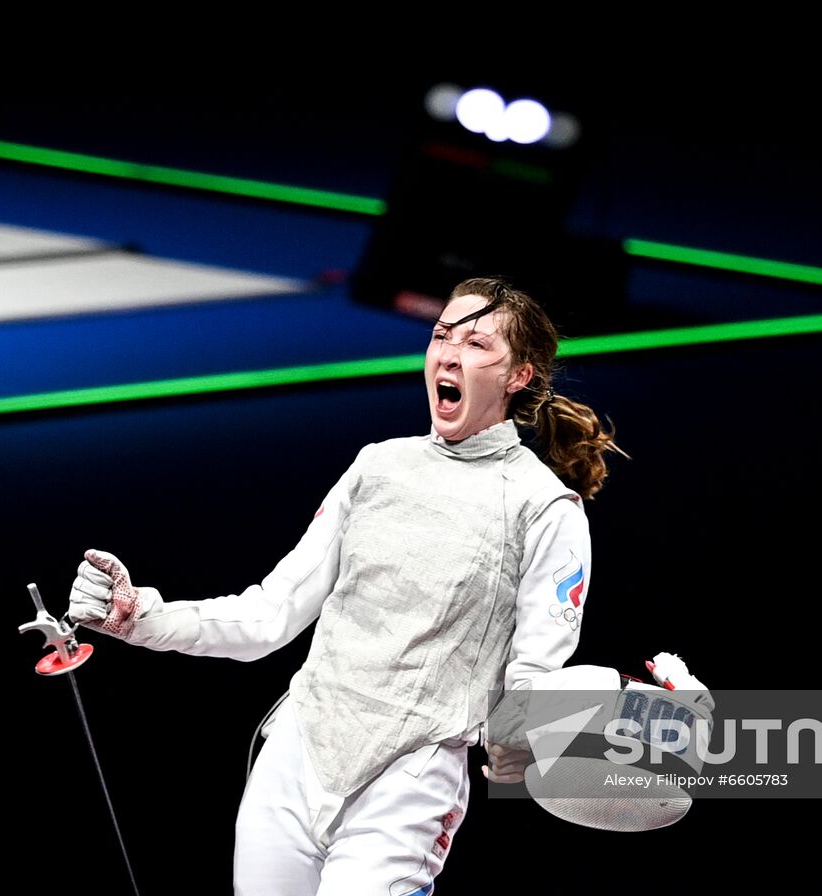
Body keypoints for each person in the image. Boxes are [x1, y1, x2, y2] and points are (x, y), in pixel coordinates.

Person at [67, 277, 630, 895]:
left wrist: (653, 727)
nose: (447, 353)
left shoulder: (545, 508)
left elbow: (529, 689)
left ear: (519, 375)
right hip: (298, 751)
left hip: (408, 784)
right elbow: (269, 616)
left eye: (475, 344)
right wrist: (141, 618)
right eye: (442, 335)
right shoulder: (377, 467)